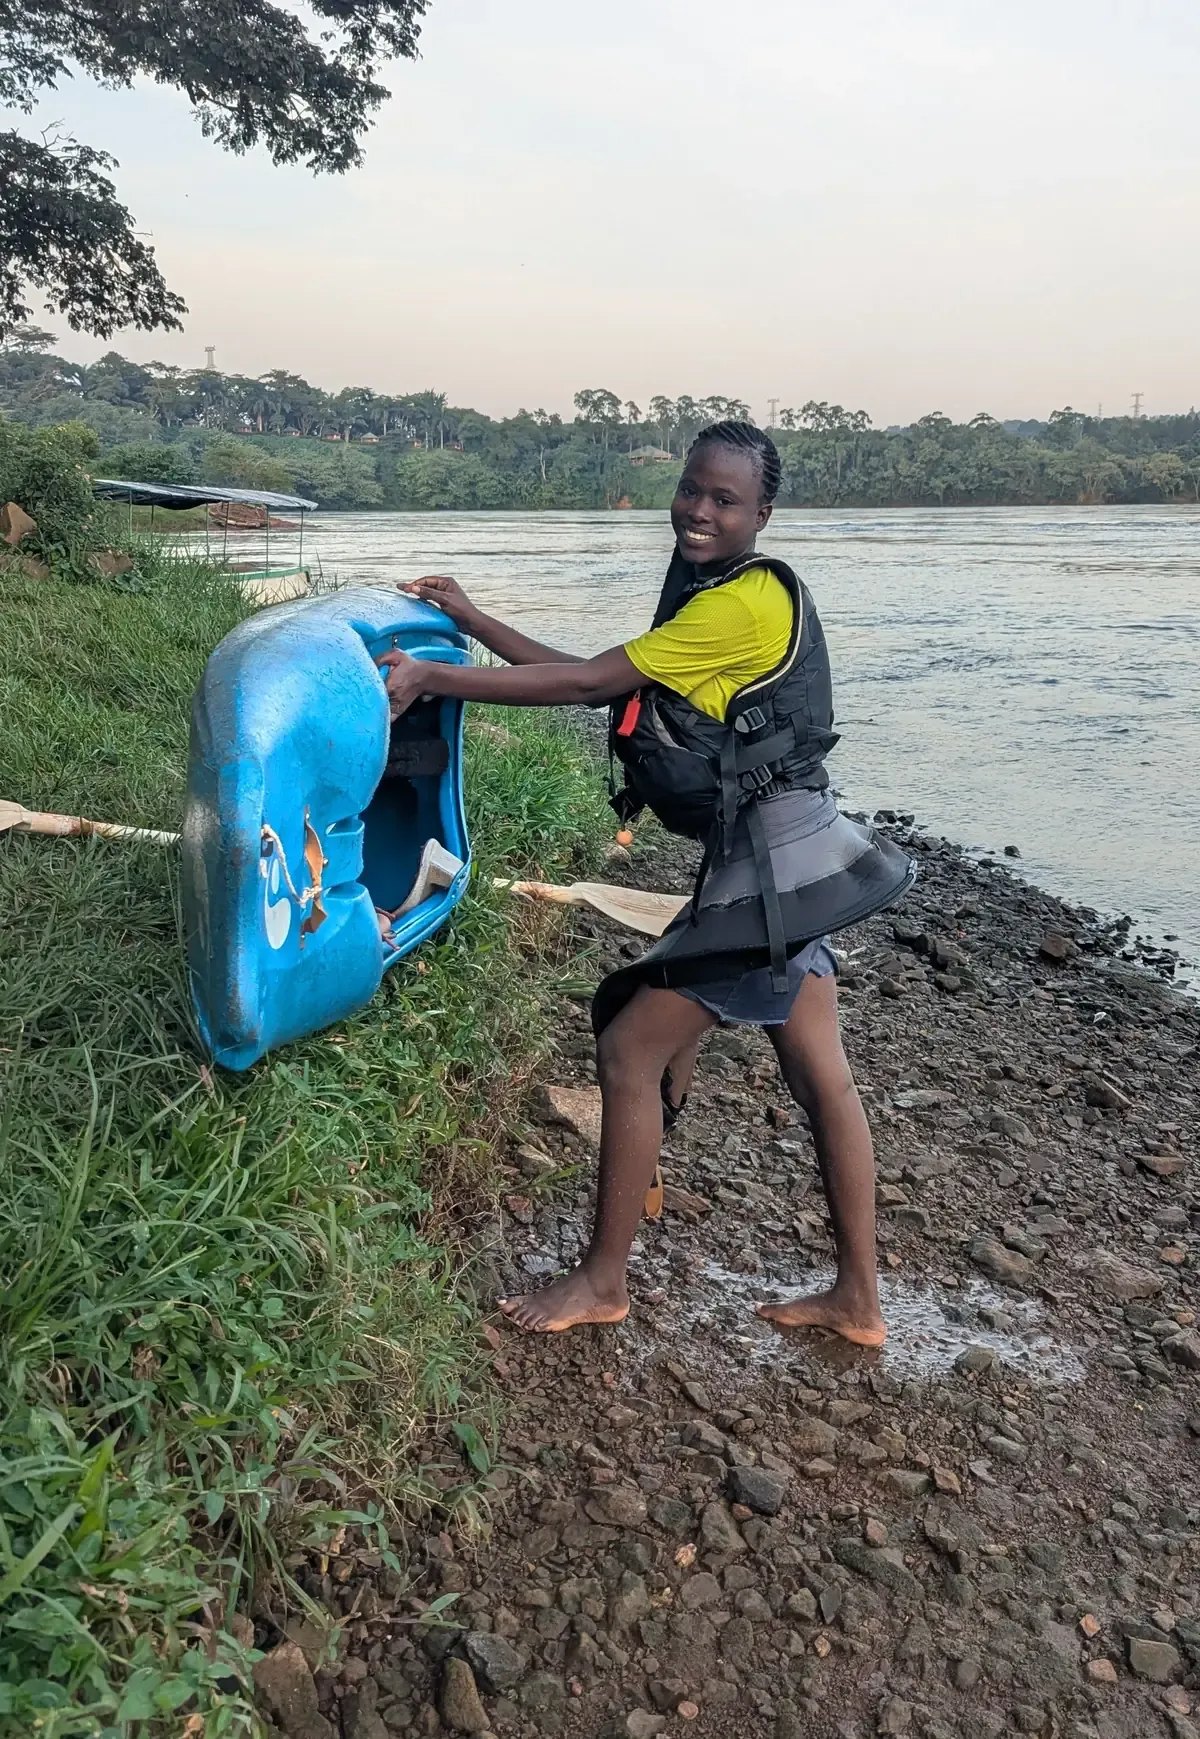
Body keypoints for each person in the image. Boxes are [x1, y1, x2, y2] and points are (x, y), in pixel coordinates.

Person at [380, 421, 914, 1344]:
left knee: (631, 1044)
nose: (700, 511)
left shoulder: (737, 607)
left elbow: (588, 684)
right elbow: (612, 683)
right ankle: (858, 1299)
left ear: (763, 514)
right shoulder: (722, 599)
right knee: (819, 1068)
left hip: (770, 880)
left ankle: (602, 1279)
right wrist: (471, 624)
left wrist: (432, 673)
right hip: (798, 856)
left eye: (725, 500)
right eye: (692, 489)